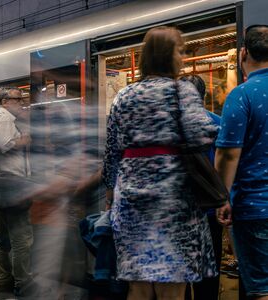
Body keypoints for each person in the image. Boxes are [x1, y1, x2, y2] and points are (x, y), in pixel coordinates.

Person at [102, 26, 218, 300]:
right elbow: (200, 137)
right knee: (172, 283)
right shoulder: (182, 92)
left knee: (139, 284)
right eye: (180, 50)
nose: (182, 56)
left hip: (131, 200)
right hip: (173, 199)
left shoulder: (124, 96)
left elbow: (111, 151)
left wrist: (111, 192)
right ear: (168, 55)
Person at [215, 24, 268, 300]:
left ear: (243, 53)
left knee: (261, 289)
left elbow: (228, 154)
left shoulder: (242, 95)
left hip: (255, 207)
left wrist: (221, 198)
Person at [0, 87, 34, 297]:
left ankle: (2, 279)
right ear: (4, 101)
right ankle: (24, 282)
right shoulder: (4, 119)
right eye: (17, 99)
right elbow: (5, 145)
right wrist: (24, 139)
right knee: (22, 238)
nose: (21, 102)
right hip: (11, 183)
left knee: (0, 236)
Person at [180, 74, 223, 300]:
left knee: (182, 271)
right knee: (210, 268)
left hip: (180, 210)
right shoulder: (217, 122)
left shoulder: (171, 125)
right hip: (210, 208)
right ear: (203, 96)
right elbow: (223, 163)